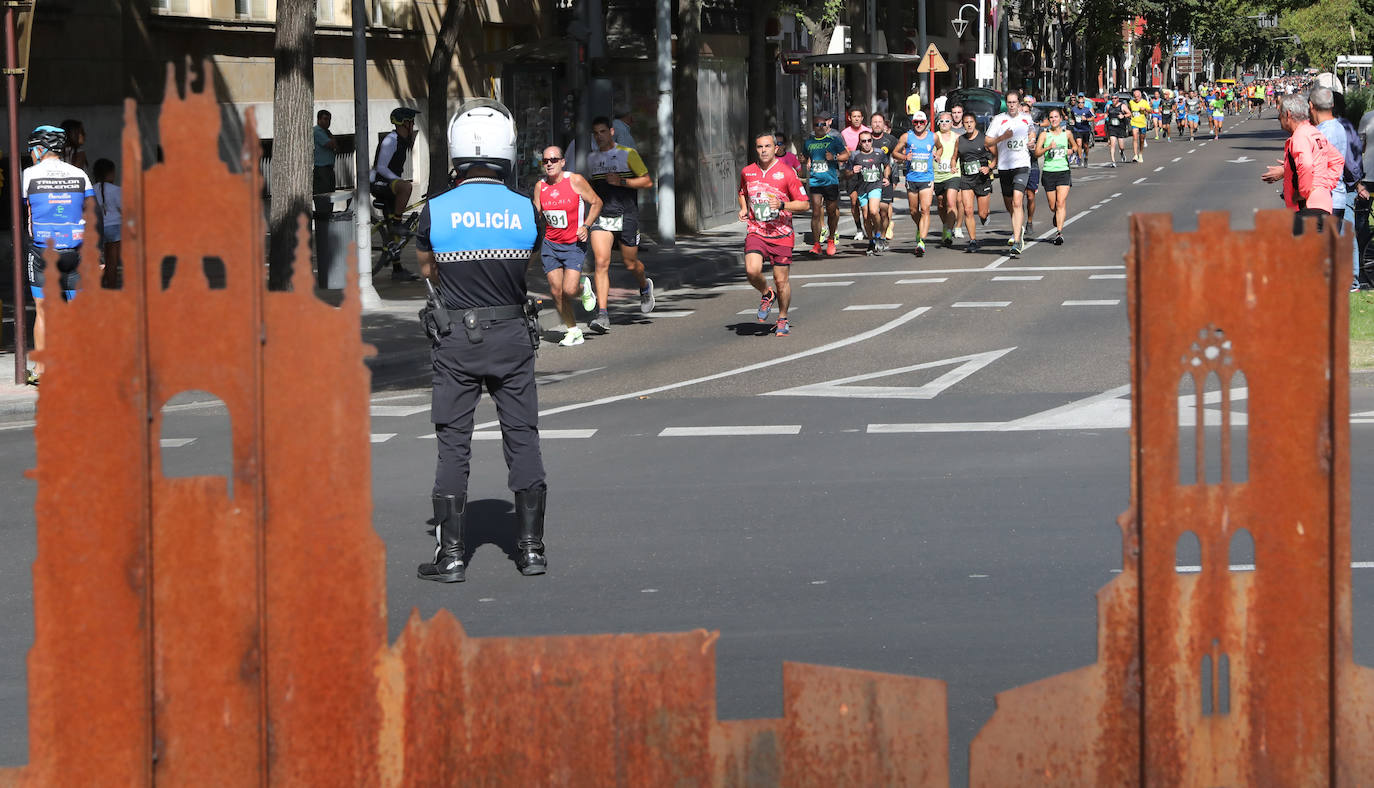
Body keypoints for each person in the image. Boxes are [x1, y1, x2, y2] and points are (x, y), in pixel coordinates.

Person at [415, 99, 547, 583]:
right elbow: (525, 265)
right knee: (522, 437)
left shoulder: (436, 211)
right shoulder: (524, 210)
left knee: (453, 444)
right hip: (512, 333)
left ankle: (451, 558)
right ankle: (531, 550)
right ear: (507, 151)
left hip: (455, 339)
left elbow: (427, 269)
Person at [22, 125, 95, 386]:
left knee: (43, 311)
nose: (30, 154)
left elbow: (24, 207)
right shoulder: (80, 175)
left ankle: (41, 371)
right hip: (76, 251)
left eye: (31, 149)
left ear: (40, 148)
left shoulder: (28, 174)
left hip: (42, 251)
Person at [584, 116, 655, 332]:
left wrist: (623, 181)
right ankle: (603, 314)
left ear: (612, 132)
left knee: (630, 262)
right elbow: (590, 185)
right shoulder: (591, 159)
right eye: (596, 133)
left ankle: (644, 286)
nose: (599, 136)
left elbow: (647, 181)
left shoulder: (628, 154)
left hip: (627, 214)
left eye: (603, 132)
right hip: (603, 215)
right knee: (601, 262)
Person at [738, 132, 809, 336]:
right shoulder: (747, 172)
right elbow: (742, 192)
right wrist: (743, 208)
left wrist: (783, 204)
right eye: (760, 147)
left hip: (782, 234)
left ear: (775, 148)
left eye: (768, 146)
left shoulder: (787, 173)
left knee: (781, 280)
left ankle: (782, 317)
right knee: (752, 271)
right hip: (757, 231)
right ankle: (767, 294)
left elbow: (804, 204)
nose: (764, 151)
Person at [533, 145, 601, 346]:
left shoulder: (575, 180)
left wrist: (586, 226)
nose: (549, 164)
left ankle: (583, 287)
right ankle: (573, 330)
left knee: (569, 290)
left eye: (554, 160)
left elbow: (597, 202)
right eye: (545, 161)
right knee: (556, 291)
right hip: (551, 244)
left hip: (573, 244)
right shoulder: (540, 186)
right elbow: (538, 215)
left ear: (562, 162)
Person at [1261, 94, 1343, 234]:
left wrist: (1304, 192)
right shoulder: (1314, 133)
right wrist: (1323, 185)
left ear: (1288, 114)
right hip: (1323, 206)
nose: (1278, 119)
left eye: (1279, 114)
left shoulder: (1300, 136)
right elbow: (1337, 160)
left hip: (1307, 209)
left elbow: (1306, 165)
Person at [1311, 86, 1363, 291]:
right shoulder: (1343, 126)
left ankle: (1348, 280)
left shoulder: (1329, 130)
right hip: (1343, 186)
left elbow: (1344, 161)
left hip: (1337, 189)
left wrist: (1355, 183)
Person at [370, 106, 422, 281]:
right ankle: (398, 223)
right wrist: (398, 182)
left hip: (387, 182)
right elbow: (381, 167)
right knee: (406, 188)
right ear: (403, 123)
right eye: (411, 121)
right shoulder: (390, 140)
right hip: (379, 182)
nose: (413, 125)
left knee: (394, 231)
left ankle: (397, 270)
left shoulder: (401, 140)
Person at [986, 90, 1035, 255]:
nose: (1012, 105)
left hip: (1022, 164)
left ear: (1019, 104)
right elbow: (987, 142)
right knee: (1009, 204)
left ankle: (1017, 240)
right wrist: (1003, 137)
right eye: (1009, 102)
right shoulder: (999, 120)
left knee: (1017, 201)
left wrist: (1032, 141)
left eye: (1015, 102)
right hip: (1004, 166)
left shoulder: (1026, 118)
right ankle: (1018, 226)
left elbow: (1032, 132)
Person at [802, 111, 849, 256]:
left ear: (826, 125)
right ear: (813, 127)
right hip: (816, 181)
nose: (820, 127)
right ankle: (816, 244)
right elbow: (804, 157)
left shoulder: (833, 140)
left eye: (822, 124)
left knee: (831, 211)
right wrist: (804, 161)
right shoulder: (809, 142)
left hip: (831, 181)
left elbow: (846, 154)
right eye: (817, 125)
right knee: (816, 212)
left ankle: (830, 239)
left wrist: (834, 156)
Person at [1033, 108, 1081, 246]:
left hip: (1063, 171)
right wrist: (1047, 148)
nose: (1054, 120)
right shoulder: (1044, 135)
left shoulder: (1067, 134)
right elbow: (1036, 153)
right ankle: (1057, 215)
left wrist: (1071, 150)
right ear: (1048, 120)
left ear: (1061, 119)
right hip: (1049, 172)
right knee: (1053, 206)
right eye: (1051, 118)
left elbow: (1076, 147)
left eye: (1056, 117)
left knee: (1061, 203)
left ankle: (1059, 233)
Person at [893, 111, 935, 256]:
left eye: (921, 122)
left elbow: (940, 147)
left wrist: (938, 154)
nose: (918, 125)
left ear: (926, 123)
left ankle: (921, 242)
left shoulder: (933, 136)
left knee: (926, 209)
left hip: (927, 178)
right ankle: (920, 227)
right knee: (913, 211)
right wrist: (905, 157)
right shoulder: (907, 136)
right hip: (912, 178)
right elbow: (894, 153)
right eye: (916, 122)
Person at [848, 130, 891, 255]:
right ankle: (871, 241)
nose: (867, 143)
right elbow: (845, 173)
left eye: (869, 140)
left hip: (876, 186)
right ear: (860, 143)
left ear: (872, 141)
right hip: (862, 188)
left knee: (873, 210)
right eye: (864, 141)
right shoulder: (854, 156)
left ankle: (878, 234)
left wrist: (886, 177)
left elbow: (887, 165)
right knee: (866, 216)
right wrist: (852, 171)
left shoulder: (879, 153)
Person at [955, 114, 993, 253]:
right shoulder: (960, 140)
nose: (969, 124)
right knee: (968, 210)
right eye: (966, 122)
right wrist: (953, 165)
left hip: (982, 179)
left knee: (982, 213)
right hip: (966, 179)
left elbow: (995, 156)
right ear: (963, 124)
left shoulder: (984, 139)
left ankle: (985, 216)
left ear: (975, 123)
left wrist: (989, 167)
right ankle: (972, 240)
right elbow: (955, 157)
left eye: (971, 122)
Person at [931, 111, 963, 247]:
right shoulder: (933, 137)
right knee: (940, 204)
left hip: (952, 174)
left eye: (947, 121)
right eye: (942, 121)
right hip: (937, 175)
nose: (944, 124)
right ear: (938, 123)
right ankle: (946, 225)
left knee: (951, 202)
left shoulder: (958, 137)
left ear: (952, 123)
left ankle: (949, 230)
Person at [839, 108, 871, 241]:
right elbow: (843, 150)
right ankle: (859, 228)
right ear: (849, 118)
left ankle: (869, 226)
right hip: (851, 168)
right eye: (854, 116)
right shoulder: (844, 133)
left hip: (867, 169)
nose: (857, 119)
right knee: (854, 202)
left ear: (862, 118)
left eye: (859, 116)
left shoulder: (867, 131)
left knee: (867, 203)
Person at [869, 113, 899, 244]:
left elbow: (898, 155)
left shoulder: (890, 139)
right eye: (874, 122)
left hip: (886, 178)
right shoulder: (866, 139)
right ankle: (876, 234)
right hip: (869, 180)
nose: (877, 124)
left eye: (879, 122)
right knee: (871, 211)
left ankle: (882, 235)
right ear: (871, 124)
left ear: (883, 124)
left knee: (884, 210)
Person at [92, 158, 122, 288]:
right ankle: (111, 287)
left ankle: (98, 286)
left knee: (99, 262)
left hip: (97, 229)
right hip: (115, 229)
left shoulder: (91, 189)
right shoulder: (116, 190)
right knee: (113, 263)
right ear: (111, 173)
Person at [313, 109, 337, 218]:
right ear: (318, 120)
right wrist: (333, 141)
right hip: (321, 169)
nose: (328, 122)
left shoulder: (327, 132)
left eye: (329, 120)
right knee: (323, 198)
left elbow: (336, 146)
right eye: (325, 119)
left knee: (330, 197)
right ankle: (323, 220)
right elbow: (330, 144)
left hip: (329, 169)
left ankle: (328, 218)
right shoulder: (317, 131)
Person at [1070, 94, 1095, 167]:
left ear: (1084, 103)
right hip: (1077, 129)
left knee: (1086, 145)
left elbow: (1093, 117)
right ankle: (1080, 158)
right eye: (1079, 103)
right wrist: (1072, 120)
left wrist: (1086, 119)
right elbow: (1072, 116)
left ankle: (1086, 157)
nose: (1081, 104)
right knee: (1079, 144)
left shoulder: (1087, 110)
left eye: (1082, 103)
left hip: (1086, 129)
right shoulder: (1074, 109)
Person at [1106, 95, 1130, 166]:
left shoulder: (1122, 106)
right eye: (1112, 98)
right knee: (1112, 144)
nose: (1113, 100)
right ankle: (1113, 161)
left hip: (1120, 127)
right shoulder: (1108, 106)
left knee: (1121, 146)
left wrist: (1123, 116)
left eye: (1115, 98)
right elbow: (1107, 113)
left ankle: (1122, 152)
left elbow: (1129, 113)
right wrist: (1105, 116)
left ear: (1118, 99)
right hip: (1112, 127)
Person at [1128, 88, 1151, 163]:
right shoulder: (1131, 102)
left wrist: (1145, 109)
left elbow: (1150, 110)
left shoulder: (1144, 102)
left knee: (1141, 139)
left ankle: (1140, 154)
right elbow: (1129, 109)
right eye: (1135, 96)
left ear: (1140, 96)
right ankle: (1135, 155)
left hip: (1142, 123)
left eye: (1137, 96)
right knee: (1135, 136)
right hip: (1134, 122)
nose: (1136, 98)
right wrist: (1129, 115)